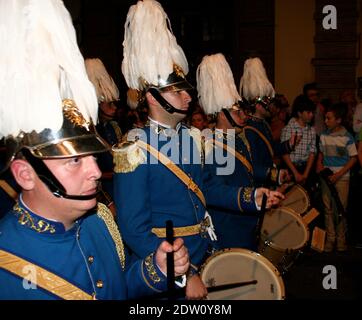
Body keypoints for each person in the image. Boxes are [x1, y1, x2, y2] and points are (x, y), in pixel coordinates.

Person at [0, 0, 189, 300]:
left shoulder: (98, 223)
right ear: (25, 174)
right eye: (75, 160)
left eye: (91, 156)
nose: (96, 171)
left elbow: (117, 286)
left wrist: (156, 269)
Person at [113, 0, 283, 300]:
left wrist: (250, 197)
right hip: (170, 267)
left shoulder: (192, 138)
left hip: (205, 248)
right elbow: (133, 229)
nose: (187, 96)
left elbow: (209, 188)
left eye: (185, 89)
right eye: (177, 91)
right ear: (153, 98)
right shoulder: (133, 149)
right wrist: (183, 273)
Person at [196, 53, 284, 251]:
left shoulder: (235, 139)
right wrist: (249, 197)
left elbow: (249, 170)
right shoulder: (211, 145)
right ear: (221, 113)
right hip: (229, 224)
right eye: (238, 112)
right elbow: (216, 190)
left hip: (246, 218)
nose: (244, 116)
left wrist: (272, 176)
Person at [239, 57, 295, 187]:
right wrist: (274, 174)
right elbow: (251, 165)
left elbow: (270, 149)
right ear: (258, 106)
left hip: (267, 181)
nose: (271, 107)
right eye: (268, 105)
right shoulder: (249, 129)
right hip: (258, 185)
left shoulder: (262, 123)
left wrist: (288, 145)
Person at [316, 103, 358, 252]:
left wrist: (339, 174)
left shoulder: (347, 137)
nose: (326, 121)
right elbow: (321, 154)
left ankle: (341, 240)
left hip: (342, 177)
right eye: (325, 118)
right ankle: (330, 239)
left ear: (338, 120)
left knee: (340, 209)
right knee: (327, 209)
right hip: (326, 176)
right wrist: (319, 164)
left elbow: (353, 158)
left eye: (329, 118)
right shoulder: (324, 136)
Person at [85, 58, 123, 207]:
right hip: (101, 191)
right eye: (109, 104)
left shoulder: (114, 127)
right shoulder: (90, 132)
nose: (114, 108)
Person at [281, 95, 317, 187]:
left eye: (312, 112)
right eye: (308, 112)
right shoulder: (289, 128)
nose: (311, 115)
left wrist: (305, 174)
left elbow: (312, 153)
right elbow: (284, 153)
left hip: (306, 168)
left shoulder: (311, 130)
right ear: (299, 113)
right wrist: (296, 173)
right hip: (291, 168)